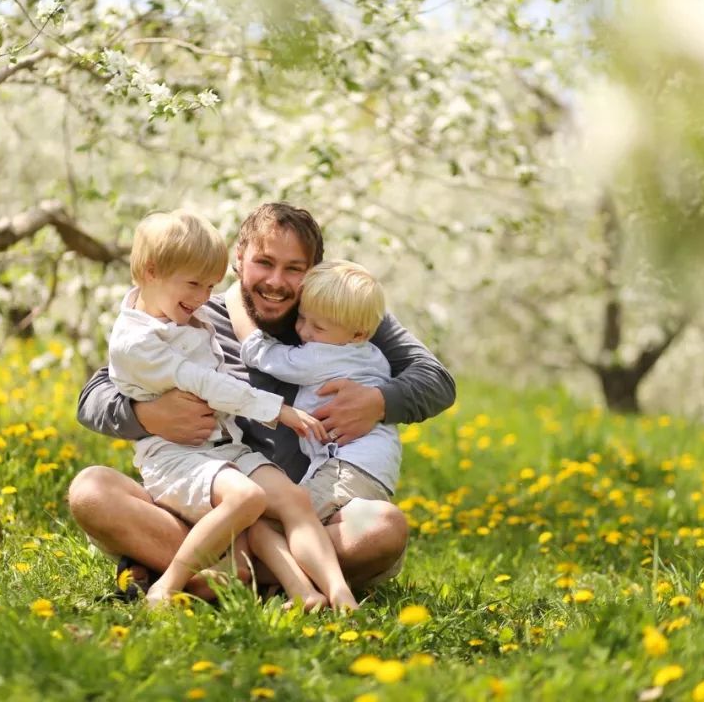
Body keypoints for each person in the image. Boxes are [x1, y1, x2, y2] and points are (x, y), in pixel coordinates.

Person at [70, 202, 456, 598]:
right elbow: (95, 395)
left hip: (304, 516)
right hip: (205, 501)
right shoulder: (195, 313)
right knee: (91, 490)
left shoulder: (343, 311)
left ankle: (211, 576)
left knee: (383, 527)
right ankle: (261, 580)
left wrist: (379, 401)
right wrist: (145, 415)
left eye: (294, 268)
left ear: (314, 272)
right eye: (264, 262)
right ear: (239, 259)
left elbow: (437, 380)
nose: (276, 281)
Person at [106, 209, 357, 609]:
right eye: (194, 284)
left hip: (226, 449)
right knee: (247, 500)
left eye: (210, 286)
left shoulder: (182, 307)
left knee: (293, 500)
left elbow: (432, 377)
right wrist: (279, 411)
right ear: (151, 271)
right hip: (178, 457)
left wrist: (379, 399)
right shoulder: (137, 341)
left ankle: (327, 594)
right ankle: (167, 585)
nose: (204, 298)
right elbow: (205, 382)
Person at [226, 259, 403, 606]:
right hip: (368, 470)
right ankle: (307, 583)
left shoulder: (323, 357)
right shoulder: (369, 355)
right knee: (309, 528)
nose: (304, 332)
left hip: (344, 468)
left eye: (317, 327)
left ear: (358, 333)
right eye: (302, 318)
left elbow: (261, 353)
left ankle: (277, 580)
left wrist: (235, 300)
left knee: (278, 521)